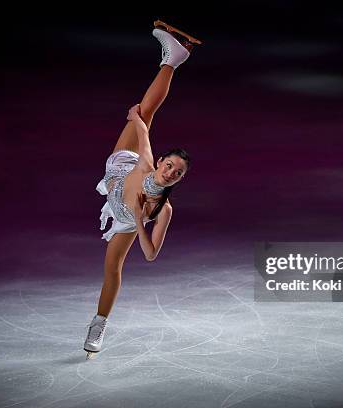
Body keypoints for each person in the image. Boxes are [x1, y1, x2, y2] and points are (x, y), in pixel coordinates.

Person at [84, 21, 201, 359]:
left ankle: (98, 326)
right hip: (119, 171)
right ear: (161, 162)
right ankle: (172, 59)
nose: (170, 172)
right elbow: (144, 133)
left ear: (178, 180)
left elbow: (150, 255)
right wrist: (135, 117)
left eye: (176, 173)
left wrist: (137, 220)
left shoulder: (163, 212)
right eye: (169, 165)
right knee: (146, 112)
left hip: (124, 221)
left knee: (112, 270)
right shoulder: (147, 162)